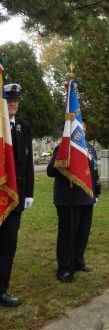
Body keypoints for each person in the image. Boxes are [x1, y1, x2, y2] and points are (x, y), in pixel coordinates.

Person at [47, 121, 101, 283]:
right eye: (78, 129)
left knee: (82, 233)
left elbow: (94, 173)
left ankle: (78, 261)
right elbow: (51, 171)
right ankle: (64, 268)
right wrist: (65, 158)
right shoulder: (63, 147)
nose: (81, 131)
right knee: (67, 235)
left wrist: (96, 193)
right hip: (68, 199)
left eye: (83, 128)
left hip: (86, 198)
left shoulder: (90, 149)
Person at [0, 84, 34, 307]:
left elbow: (29, 162)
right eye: (8, 100)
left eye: (15, 100)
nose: (12, 103)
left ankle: (2, 289)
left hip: (17, 193)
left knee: (8, 243)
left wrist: (29, 193)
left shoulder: (24, 127)